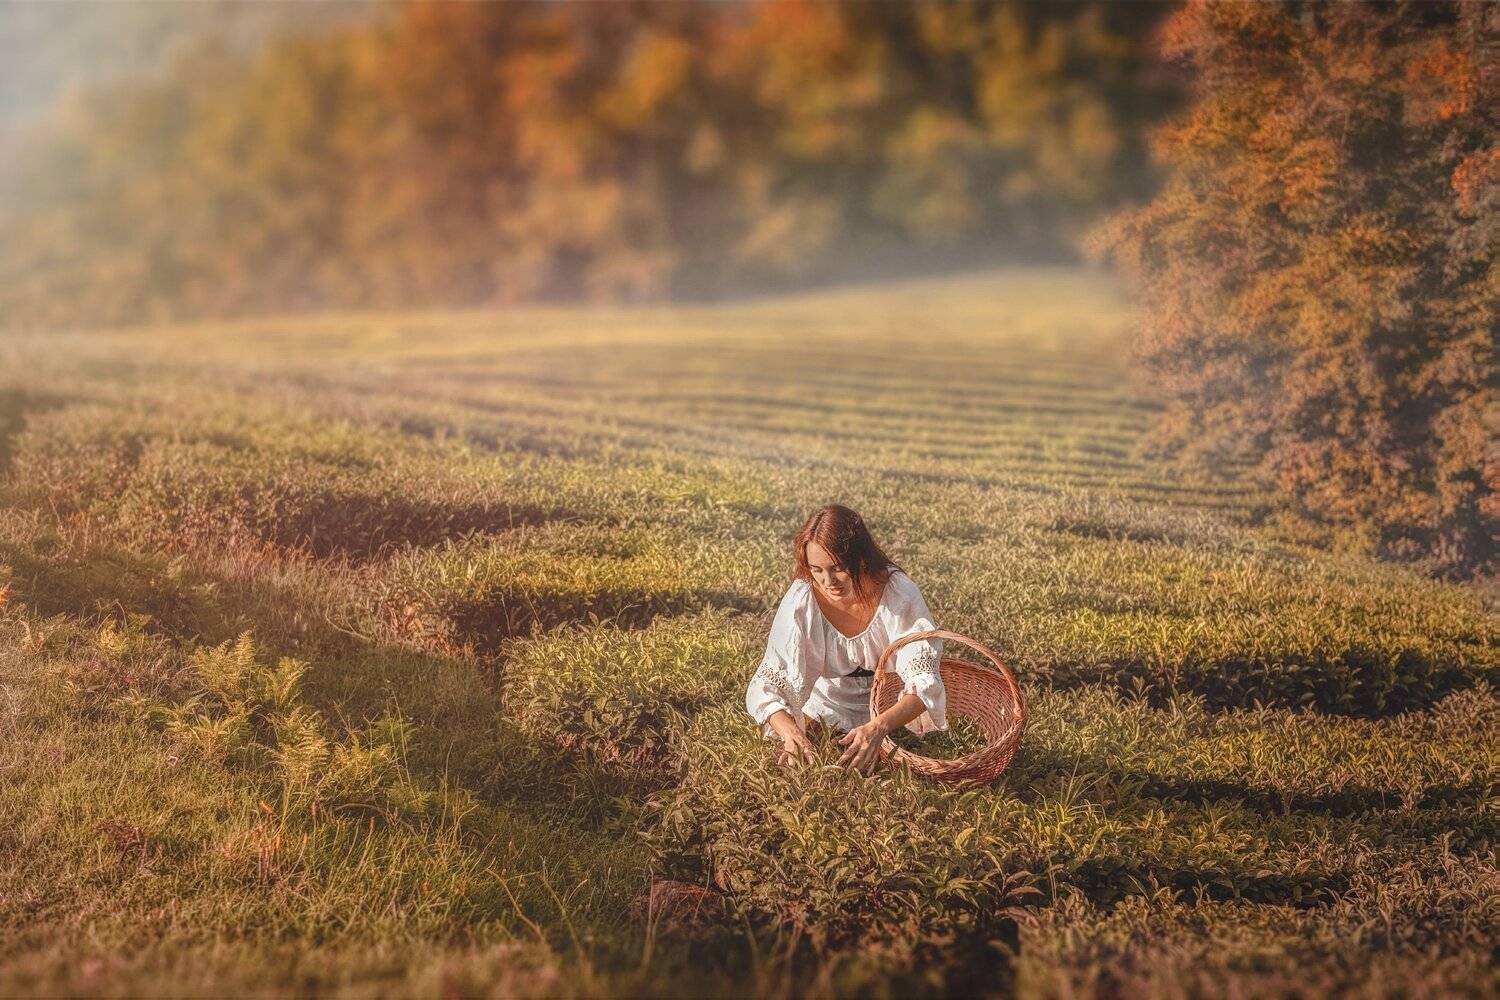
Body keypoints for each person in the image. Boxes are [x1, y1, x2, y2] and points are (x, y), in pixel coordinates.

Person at [745, 504, 947, 775]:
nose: (828, 581)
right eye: (816, 570)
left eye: (838, 568)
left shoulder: (898, 592)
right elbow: (768, 683)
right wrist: (790, 732)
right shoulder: (802, 599)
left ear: (861, 558)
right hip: (823, 706)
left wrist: (879, 727)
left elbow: (925, 682)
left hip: (892, 710)